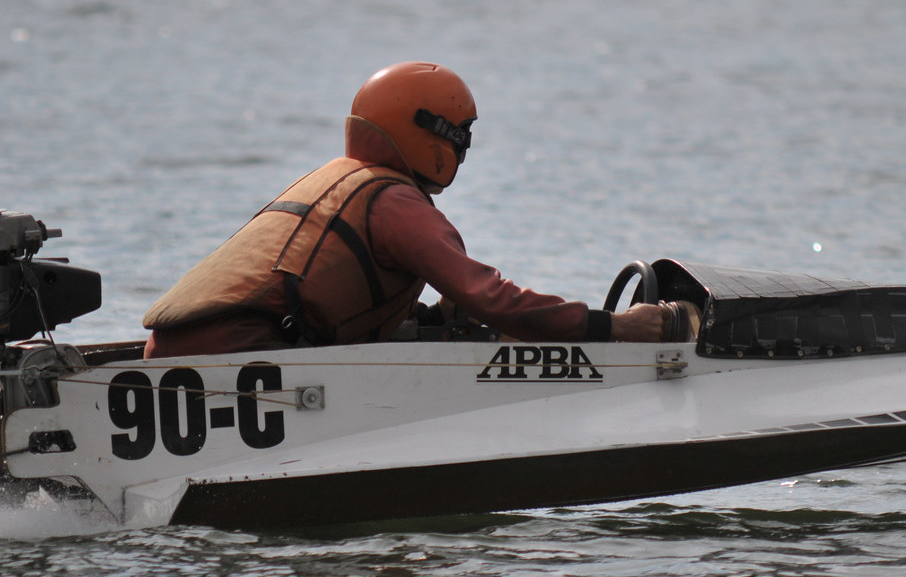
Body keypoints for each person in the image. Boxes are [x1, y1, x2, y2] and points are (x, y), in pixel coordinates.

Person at [142, 61, 667, 358]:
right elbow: (493, 300)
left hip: (169, 354)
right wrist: (617, 329)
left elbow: (320, 295)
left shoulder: (333, 179)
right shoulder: (395, 202)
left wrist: (426, 320)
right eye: (460, 136)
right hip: (237, 361)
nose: (463, 150)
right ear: (432, 136)